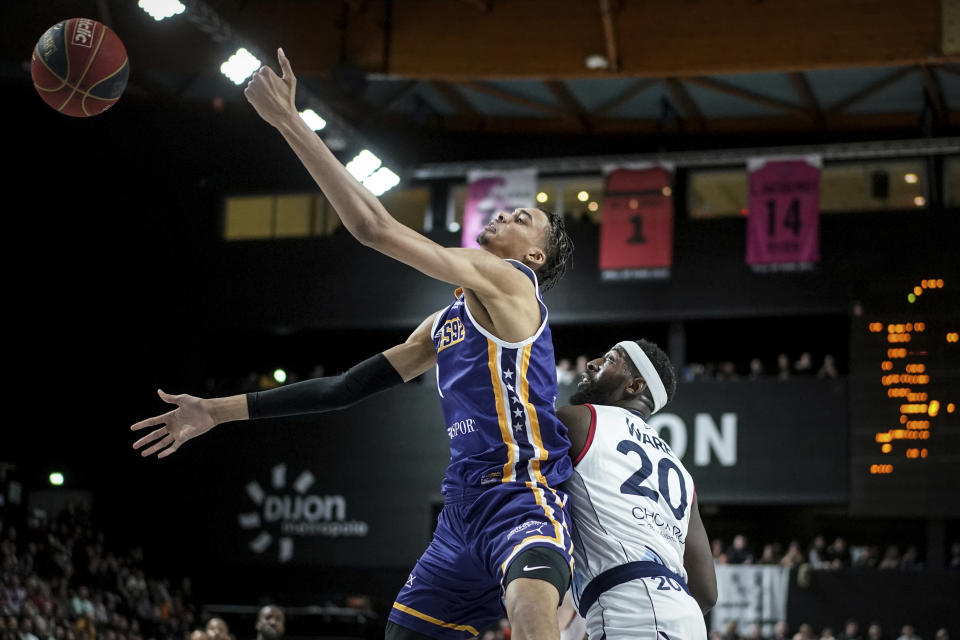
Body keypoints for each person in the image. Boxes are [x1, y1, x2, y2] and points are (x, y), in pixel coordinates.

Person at [132, 50, 575, 640]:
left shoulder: (514, 282)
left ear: (533, 257)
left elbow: (374, 229)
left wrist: (292, 122)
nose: (505, 214)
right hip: (462, 513)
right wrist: (217, 410)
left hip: (524, 498)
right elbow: (346, 388)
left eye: (522, 217)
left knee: (529, 619)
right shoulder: (443, 324)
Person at [557, 340, 716, 639]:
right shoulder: (681, 471)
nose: (592, 364)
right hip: (688, 619)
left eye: (609, 360)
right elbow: (706, 592)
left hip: (630, 608)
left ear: (635, 386)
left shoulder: (581, 420)